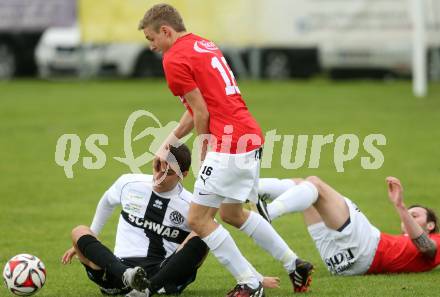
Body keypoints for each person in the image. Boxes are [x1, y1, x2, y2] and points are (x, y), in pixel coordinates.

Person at [138, 4, 313, 296]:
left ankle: (249, 282)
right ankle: (294, 263)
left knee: (198, 219)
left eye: (151, 38)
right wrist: (167, 144)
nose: (151, 45)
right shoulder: (203, 44)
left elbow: (201, 113)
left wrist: (205, 152)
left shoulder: (174, 58)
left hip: (227, 144)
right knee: (232, 213)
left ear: (165, 31)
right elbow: (197, 109)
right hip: (248, 136)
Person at [61, 143, 280, 297]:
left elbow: (218, 241)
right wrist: (92, 235)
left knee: (202, 231)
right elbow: (107, 202)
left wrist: (255, 277)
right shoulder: (129, 183)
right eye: (158, 166)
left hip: (162, 275)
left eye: (169, 172)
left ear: (183, 174)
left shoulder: (190, 205)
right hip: (117, 272)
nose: (160, 175)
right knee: (79, 231)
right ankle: (128, 277)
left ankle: (147, 289)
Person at [256, 176, 440, 275]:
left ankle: (267, 212)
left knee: (314, 184)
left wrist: (400, 207)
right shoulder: (402, 242)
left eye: (414, 215)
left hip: (367, 250)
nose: (408, 216)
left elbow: (428, 249)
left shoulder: (435, 240)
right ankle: (244, 190)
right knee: (302, 185)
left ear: (431, 225)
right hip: (338, 263)